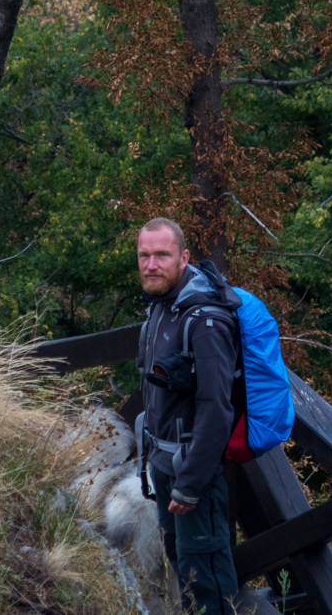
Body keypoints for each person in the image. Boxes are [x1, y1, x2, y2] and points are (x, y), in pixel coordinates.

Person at [136, 217, 239, 615]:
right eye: (144, 255)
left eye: (162, 255)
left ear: (184, 257)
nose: (151, 264)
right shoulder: (162, 307)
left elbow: (217, 408)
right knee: (183, 569)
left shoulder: (205, 320)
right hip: (165, 466)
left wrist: (190, 484)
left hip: (193, 473)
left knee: (209, 583)